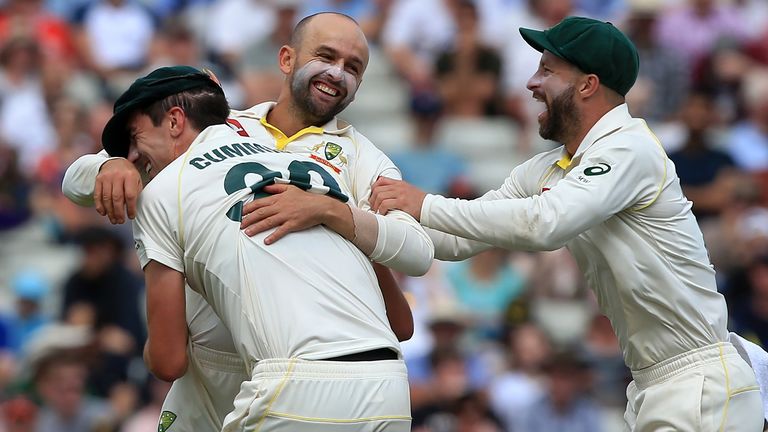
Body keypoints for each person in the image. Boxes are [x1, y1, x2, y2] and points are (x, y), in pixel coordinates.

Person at [368, 16, 765, 431]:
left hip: (699, 380)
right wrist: (359, 225)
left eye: (547, 70)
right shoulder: (549, 168)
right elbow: (451, 240)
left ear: (587, 85)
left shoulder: (631, 148)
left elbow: (546, 224)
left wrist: (424, 203)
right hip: (655, 383)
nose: (531, 83)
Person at [62, 12, 431, 431]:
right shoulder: (226, 126)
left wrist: (330, 211)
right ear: (286, 58)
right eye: (326, 56)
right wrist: (112, 164)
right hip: (213, 372)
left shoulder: (365, 160)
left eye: (353, 67)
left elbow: (417, 255)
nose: (336, 73)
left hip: (288, 367)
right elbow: (74, 181)